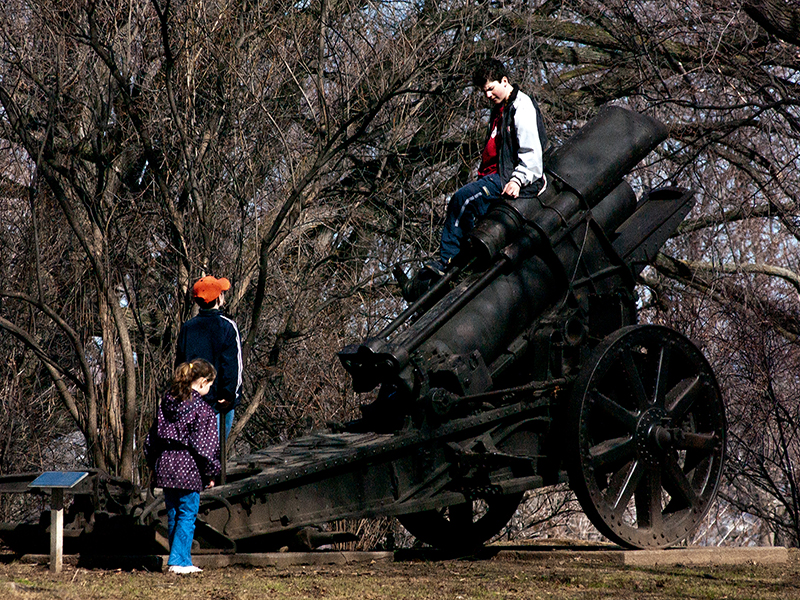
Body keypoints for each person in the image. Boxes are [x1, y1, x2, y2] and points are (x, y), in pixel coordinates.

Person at [400, 58, 548, 301]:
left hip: (507, 178)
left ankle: (446, 262)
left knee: (463, 199)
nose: (488, 95)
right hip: (493, 176)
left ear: (505, 81)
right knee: (467, 208)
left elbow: (532, 154)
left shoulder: (521, 106)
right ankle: (462, 263)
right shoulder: (498, 111)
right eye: (484, 91)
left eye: (491, 88)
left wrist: (517, 180)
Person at [144, 359, 221, 574]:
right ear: (203, 382)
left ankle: (181, 559)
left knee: (174, 513)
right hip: (189, 466)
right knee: (187, 513)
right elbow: (205, 447)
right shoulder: (202, 410)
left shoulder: (166, 405)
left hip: (166, 465)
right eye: (211, 384)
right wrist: (212, 471)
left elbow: (151, 440)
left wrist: (153, 464)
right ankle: (178, 561)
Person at [175, 275, 242, 438]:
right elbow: (232, 366)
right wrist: (229, 396)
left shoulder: (187, 328)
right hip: (219, 405)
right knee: (214, 455)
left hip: (191, 402)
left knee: (193, 455)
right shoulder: (227, 327)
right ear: (219, 298)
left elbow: (180, 365)